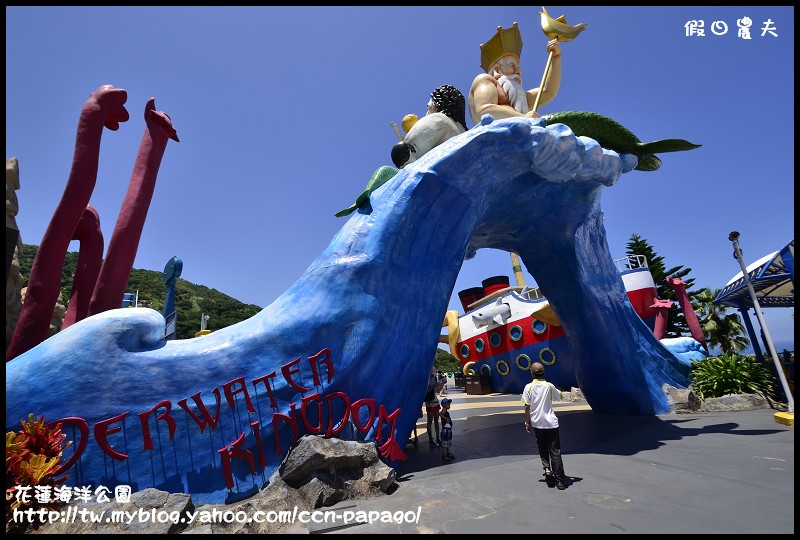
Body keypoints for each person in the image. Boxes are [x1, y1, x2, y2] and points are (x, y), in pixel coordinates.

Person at [468, 22, 562, 125]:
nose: (518, 71)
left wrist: (556, 57)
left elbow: (548, 91)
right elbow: (485, 110)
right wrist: (523, 118)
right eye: (512, 65)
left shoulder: (520, 96)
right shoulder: (484, 80)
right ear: (497, 69)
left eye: (518, 67)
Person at [522, 361, 567, 490]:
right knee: (555, 452)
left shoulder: (528, 387)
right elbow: (559, 397)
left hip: (537, 423)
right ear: (544, 372)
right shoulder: (549, 386)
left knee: (542, 447)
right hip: (551, 423)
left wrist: (527, 422)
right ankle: (560, 482)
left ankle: (547, 469)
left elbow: (526, 407)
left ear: (532, 373)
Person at [424, 367, 441, 446]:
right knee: (430, 421)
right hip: (429, 402)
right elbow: (425, 391)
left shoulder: (433, 379)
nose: (432, 376)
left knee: (437, 420)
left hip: (435, 400)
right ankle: (430, 438)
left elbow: (435, 389)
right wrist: (433, 386)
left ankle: (438, 437)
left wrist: (438, 385)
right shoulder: (426, 380)